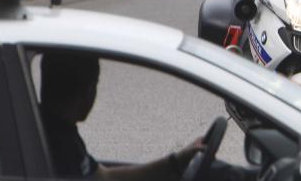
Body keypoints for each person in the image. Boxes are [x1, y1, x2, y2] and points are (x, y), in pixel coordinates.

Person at [39, 51, 215, 180]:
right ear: (88, 90)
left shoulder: (51, 132)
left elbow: (104, 176)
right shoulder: (56, 145)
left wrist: (176, 161)